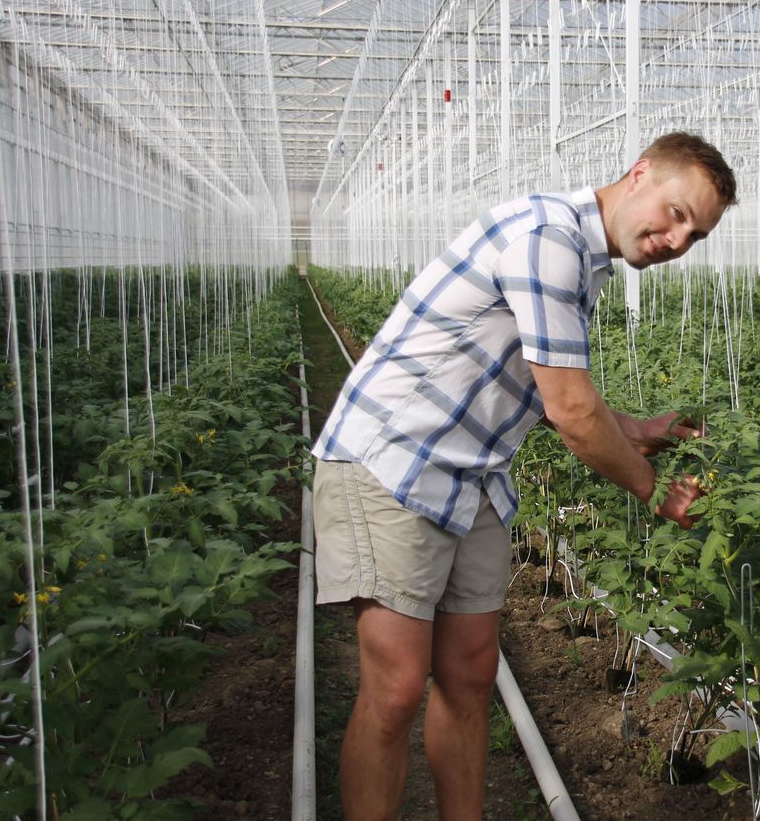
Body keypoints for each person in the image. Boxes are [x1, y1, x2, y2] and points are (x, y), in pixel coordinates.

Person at [311, 131, 737, 820]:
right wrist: (653, 490)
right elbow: (570, 411)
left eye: (698, 234)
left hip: (471, 476)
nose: (678, 239)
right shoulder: (548, 240)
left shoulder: (584, 261)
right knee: (394, 689)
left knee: (472, 675)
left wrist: (634, 429)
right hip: (392, 462)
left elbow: (545, 388)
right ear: (639, 175)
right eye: (677, 212)